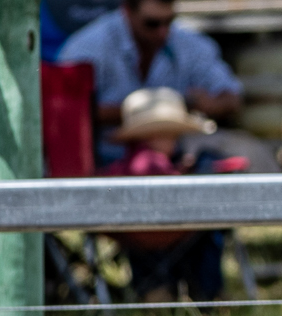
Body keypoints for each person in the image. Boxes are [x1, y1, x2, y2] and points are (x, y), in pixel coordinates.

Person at [58, 0, 243, 166]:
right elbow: (64, 112)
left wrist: (210, 104)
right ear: (127, 11)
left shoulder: (189, 45)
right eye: (152, 23)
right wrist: (167, 110)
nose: (163, 32)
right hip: (103, 163)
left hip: (174, 160)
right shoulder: (87, 49)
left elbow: (231, 96)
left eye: (169, 21)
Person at [102, 88, 240, 302]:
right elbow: (175, 196)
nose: (176, 142)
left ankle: (157, 288)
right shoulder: (151, 163)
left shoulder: (127, 162)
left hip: (134, 234)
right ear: (156, 135)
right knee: (211, 227)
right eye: (172, 135)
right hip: (164, 230)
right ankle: (209, 293)